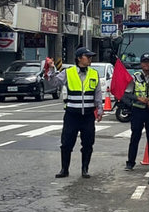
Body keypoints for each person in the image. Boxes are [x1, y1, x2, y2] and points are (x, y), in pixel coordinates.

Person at [45, 47, 104, 179]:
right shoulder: (69, 72)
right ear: (78, 58)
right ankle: (64, 169)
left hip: (88, 115)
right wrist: (51, 69)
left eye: (90, 56)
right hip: (72, 114)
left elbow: (98, 93)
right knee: (66, 143)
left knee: (88, 143)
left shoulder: (94, 73)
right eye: (87, 56)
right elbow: (54, 82)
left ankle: (85, 169)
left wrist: (100, 109)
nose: (90, 59)